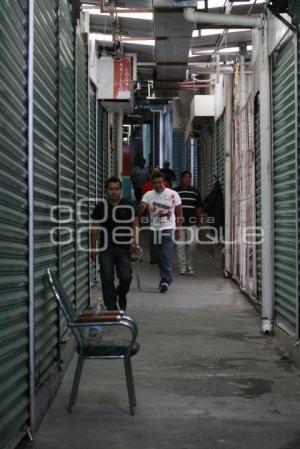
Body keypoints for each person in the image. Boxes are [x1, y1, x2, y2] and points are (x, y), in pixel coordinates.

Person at [91, 177, 139, 310]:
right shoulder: (101, 207)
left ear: (120, 190)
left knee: (126, 277)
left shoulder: (128, 205)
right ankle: (111, 307)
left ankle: (121, 294)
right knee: (106, 278)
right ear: (106, 191)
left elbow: (135, 224)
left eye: (116, 189)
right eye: (111, 189)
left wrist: (135, 241)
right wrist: (93, 248)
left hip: (124, 248)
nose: (114, 192)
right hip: (106, 248)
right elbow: (94, 229)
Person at [139, 172, 183, 293]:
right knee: (159, 256)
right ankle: (165, 278)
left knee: (166, 254)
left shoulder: (173, 194)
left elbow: (179, 214)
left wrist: (178, 229)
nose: (158, 185)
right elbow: (142, 207)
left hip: (168, 228)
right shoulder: (148, 194)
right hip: (154, 229)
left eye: (160, 182)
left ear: (164, 182)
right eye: (155, 183)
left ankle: (166, 280)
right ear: (152, 183)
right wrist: (141, 209)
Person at [174, 171, 204, 275]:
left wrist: (200, 220)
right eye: (186, 177)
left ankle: (190, 265)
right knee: (180, 246)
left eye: (190, 177)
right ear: (181, 178)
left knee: (193, 244)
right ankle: (182, 268)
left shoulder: (195, 192)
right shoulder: (175, 192)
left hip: (192, 223)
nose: (188, 179)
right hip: (179, 223)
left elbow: (199, 207)